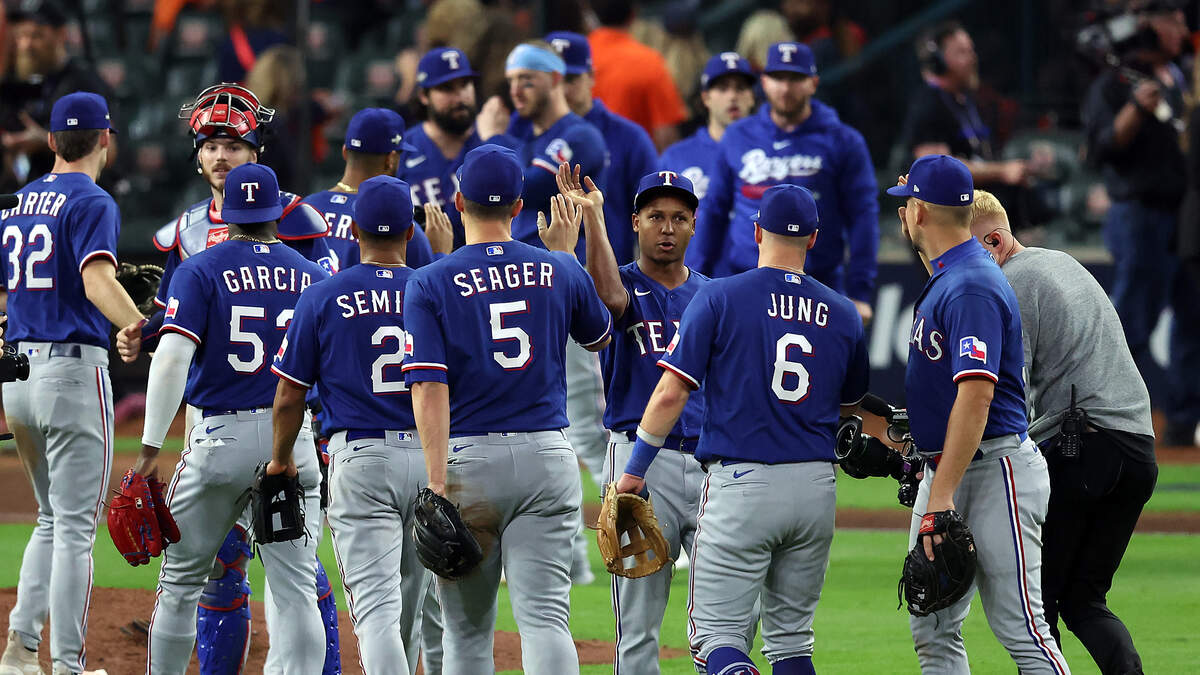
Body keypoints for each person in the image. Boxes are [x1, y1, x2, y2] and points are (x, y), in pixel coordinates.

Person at [117, 82, 340, 675]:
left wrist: (145, 452)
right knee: (286, 580)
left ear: (256, 152)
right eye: (210, 144)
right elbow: (331, 325)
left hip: (219, 431)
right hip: (287, 430)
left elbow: (173, 352)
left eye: (232, 145)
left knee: (184, 578)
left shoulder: (224, 245)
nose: (219, 155)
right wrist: (146, 325)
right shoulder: (211, 235)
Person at [613, 184, 868, 675]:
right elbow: (850, 408)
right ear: (813, 239)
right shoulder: (843, 313)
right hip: (816, 489)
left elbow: (670, 394)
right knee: (792, 643)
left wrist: (632, 473)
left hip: (743, 484)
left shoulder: (719, 297)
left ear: (755, 232)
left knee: (717, 640)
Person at [401, 144, 612, 674]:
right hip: (547, 454)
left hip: (469, 462)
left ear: (456, 201)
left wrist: (435, 482)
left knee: (467, 631)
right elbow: (601, 336)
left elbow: (428, 387)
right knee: (546, 619)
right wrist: (564, 254)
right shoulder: (558, 268)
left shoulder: (430, 279)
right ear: (519, 207)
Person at [886, 154, 1070, 674]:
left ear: (919, 210)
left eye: (907, 206)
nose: (902, 216)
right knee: (933, 627)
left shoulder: (970, 285)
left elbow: (976, 397)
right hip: (954, 469)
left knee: (1023, 629)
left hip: (995, 470)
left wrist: (940, 497)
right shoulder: (953, 275)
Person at [970, 190, 1156, 674]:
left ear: (993, 240)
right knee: (1084, 601)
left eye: (964, 249)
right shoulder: (1061, 262)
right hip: (1137, 450)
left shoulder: (1010, 282)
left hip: (1084, 446)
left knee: (1037, 608)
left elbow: (1008, 391)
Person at [554, 162, 717, 674]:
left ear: (693, 225)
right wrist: (594, 219)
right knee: (639, 625)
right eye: (654, 216)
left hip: (713, 465)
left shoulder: (714, 296)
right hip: (640, 468)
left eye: (678, 217)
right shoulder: (619, 284)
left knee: (726, 618)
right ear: (636, 222)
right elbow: (609, 299)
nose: (666, 228)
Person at [0, 91, 143, 675]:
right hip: (71, 373)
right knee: (76, 529)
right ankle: (67, 664)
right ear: (105, 139)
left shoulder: (15, 203)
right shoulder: (92, 199)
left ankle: (19, 649)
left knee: (51, 519)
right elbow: (95, 282)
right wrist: (138, 322)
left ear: (52, 141)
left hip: (18, 373)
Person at [269, 176, 433, 675]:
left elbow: (288, 395)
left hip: (361, 460)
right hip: (430, 461)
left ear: (355, 231)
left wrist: (280, 459)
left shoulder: (322, 295)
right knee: (411, 606)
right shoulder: (434, 291)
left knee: (377, 613)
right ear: (410, 233)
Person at [503, 40, 611, 584]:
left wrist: (494, 139)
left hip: (561, 286)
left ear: (555, 79)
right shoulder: (522, 136)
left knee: (588, 429)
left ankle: (638, 518)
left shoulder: (580, 135)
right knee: (545, 426)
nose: (517, 88)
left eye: (528, 77)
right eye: (512, 79)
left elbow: (512, 185)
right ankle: (569, 558)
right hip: (520, 291)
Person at [693, 41, 878, 325]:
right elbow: (714, 211)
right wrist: (696, 276)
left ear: (813, 83)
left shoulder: (843, 140)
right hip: (745, 280)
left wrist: (860, 291)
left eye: (795, 78)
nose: (785, 88)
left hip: (820, 282)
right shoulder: (738, 136)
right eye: (778, 78)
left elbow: (863, 216)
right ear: (764, 82)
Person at [1082, 3, 1199, 447]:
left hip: (1186, 212)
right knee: (1131, 322)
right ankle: (1107, 421)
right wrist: (1135, 108)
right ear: (1150, 26)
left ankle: (1184, 423)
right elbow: (1101, 148)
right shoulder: (1113, 84)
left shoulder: (1186, 75)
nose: (1184, 29)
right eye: (1175, 20)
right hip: (1140, 214)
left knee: (1194, 318)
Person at [542, 30, 658, 267]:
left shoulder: (629, 137)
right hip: (536, 277)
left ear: (591, 77)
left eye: (571, 80)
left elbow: (653, 214)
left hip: (606, 276)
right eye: (554, 80)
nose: (562, 91)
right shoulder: (522, 135)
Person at [399, 46, 518, 250]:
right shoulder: (404, 150)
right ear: (424, 96)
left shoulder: (493, 144)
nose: (460, 97)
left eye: (465, 85)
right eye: (447, 88)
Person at [304, 107, 441, 270]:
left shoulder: (306, 209)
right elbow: (429, 290)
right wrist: (438, 253)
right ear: (390, 159)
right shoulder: (398, 223)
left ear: (345, 152)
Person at [0, 0, 114, 193]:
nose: (26, 45)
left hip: (82, 202)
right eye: (20, 36)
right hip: (38, 201)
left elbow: (109, 152)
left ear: (61, 35)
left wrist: (46, 141)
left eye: (36, 36)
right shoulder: (19, 85)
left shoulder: (81, 82)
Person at [587, 0, 688, 149]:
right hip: (634, 168)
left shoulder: (575, 60)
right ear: (633, 15)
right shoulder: (649, 61)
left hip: (574, 167)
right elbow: (665, 135)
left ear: (590, 15)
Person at [658, 51, 757, 200]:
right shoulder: (675, 157)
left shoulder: (769, 152)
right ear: (705, 98)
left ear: (752, 97)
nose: (732, 96)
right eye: (723, 88)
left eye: (741, 88)